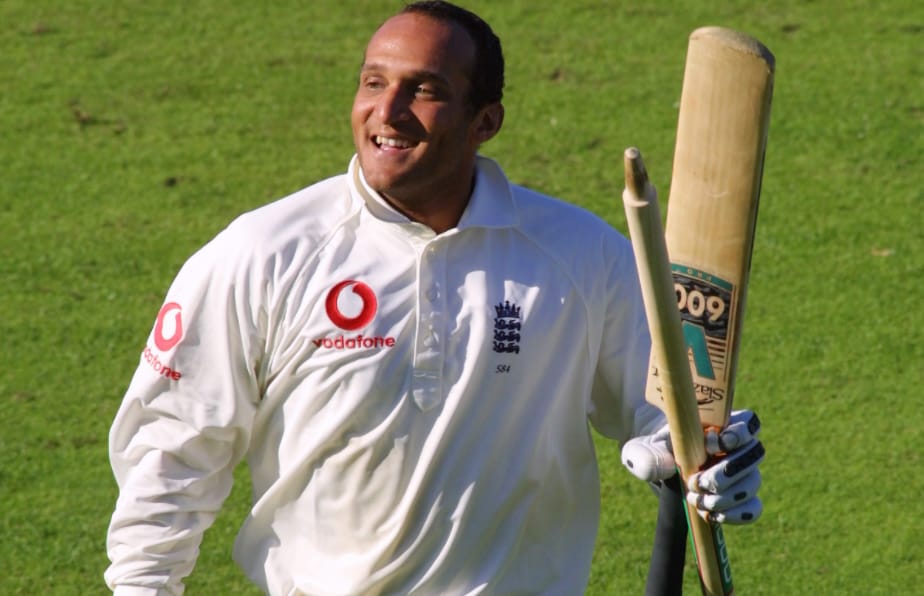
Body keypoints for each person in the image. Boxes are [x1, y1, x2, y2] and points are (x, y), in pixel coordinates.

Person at [105, 2, 764, 594]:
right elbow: (174, 448)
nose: (386, 112)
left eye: (423, 91)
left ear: (486, 121)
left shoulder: (580, 255)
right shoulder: (263, 253)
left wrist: (706, 456)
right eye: (373, 82)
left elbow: (668, 411)